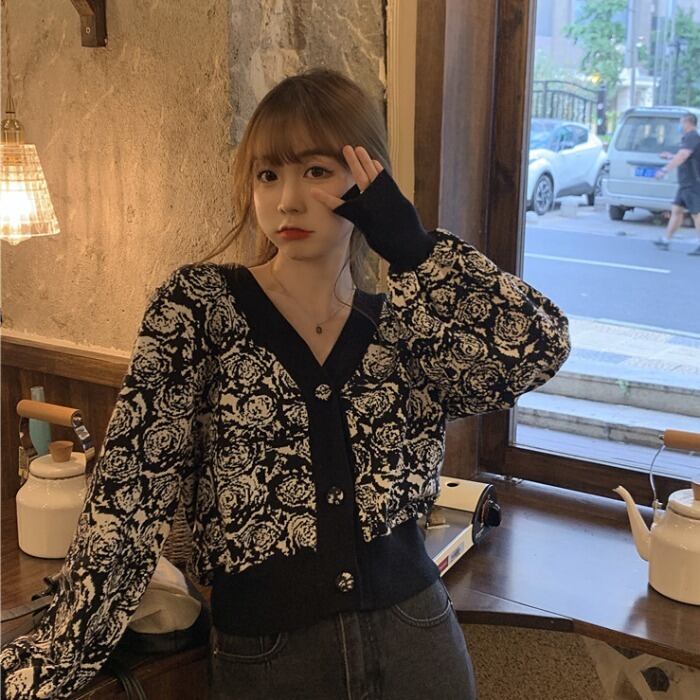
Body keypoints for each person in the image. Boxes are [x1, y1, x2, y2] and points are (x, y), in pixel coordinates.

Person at [1, 68, 571, 699]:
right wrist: (60, 656)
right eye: (268, 174)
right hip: (269, 659)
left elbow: (538, 349)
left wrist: (412, 247)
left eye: (317, 171)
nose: (287, 201)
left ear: (369, 179)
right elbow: (129, 496)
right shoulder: (198, 309)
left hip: (416, 640)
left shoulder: (408, 327)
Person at [653, 112, 700, 255]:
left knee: (696, 213)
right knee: (677, 210)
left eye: (681, 123)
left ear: (687, 122)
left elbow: (683, 155)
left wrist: (664, 170)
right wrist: (671, 156)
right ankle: (666, 240)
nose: (679, 126)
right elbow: (685, 156)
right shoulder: (689, 138)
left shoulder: (692, 136)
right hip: (685, 182)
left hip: (693, 182)